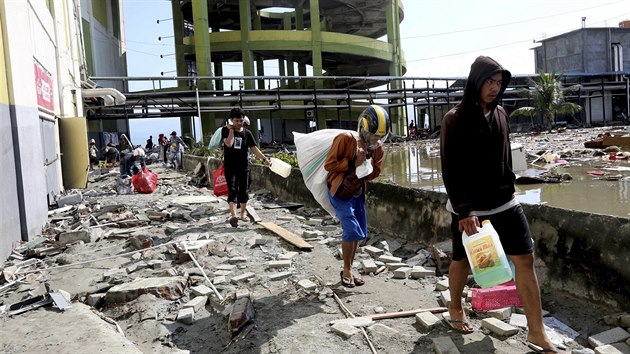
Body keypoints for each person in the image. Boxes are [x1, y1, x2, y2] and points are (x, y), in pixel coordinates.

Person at [440, 56, 563, 353]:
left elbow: (505, 157)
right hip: (470, 210)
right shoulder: (454, 119)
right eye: (489, 82)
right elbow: (451, 168)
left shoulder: (501, 114)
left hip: (505, 202)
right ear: (475, 82)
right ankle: (455, 308)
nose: (494, 88)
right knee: (462, 260)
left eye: (499, 83)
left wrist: (511, 185)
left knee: (525, 259)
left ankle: (536, 332)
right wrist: (465, 210)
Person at [324, 104, 390, 288]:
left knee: (359, 234)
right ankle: (346, 269)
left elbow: (375, 172)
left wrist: (366, 165)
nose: (375, 140)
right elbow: (329, 165)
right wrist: (353, 162)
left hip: (357, 193)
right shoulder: (345, 139)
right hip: (339, 191)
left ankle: (350, 269)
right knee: (352, 230)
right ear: (362, 128)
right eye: (372, 135)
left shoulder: (378, 149)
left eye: (379, 137)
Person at [222, 108, 270, 227]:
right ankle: (233, 215)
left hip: (243, 165)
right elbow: (229, 143)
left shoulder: (247, 133)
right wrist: (231, 131)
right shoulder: (225, 130)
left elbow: (254, 148)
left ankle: (243, 213)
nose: (239, 123)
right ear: (232, 120)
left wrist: (264, 159)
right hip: (230, 166)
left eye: (241, 120)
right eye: (237, 120)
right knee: (232, 190)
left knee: (243, 190)